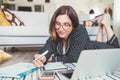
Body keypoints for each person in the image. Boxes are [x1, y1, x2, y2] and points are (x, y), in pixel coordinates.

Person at [34, 5, 119, 67]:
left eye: (66, 24)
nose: (60, 28)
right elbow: (46, 49)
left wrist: (52, 59)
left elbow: (73, 58)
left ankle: (105, 24)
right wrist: (42, 57)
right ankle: (100, 26)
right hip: (93, 51)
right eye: (58, 24)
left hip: (95, 48)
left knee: (116, 49)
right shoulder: (55, 35)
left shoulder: (79, 30)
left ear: (73, 25)